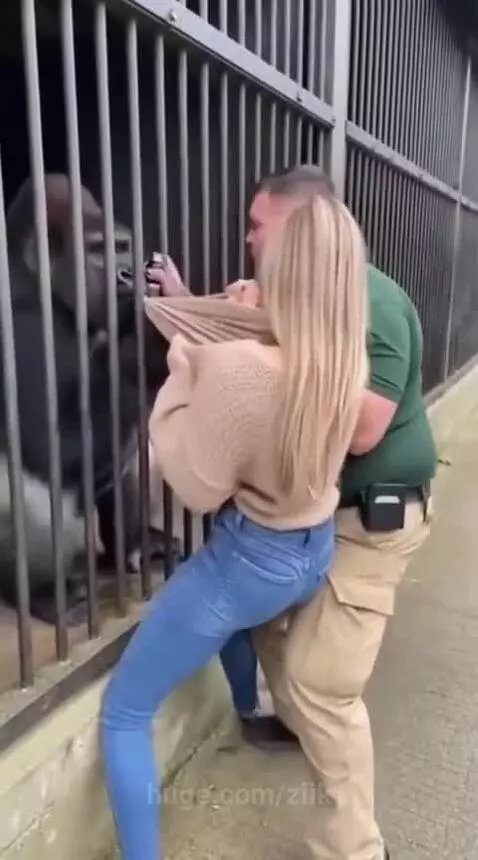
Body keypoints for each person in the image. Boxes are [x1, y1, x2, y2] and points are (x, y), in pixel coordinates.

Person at [149, 165, 437, 860]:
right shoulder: (298, 298)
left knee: (322, 686)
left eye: (258, 225)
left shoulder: (372, 304)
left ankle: (356, 850)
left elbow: (360, 430)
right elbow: (257, 355)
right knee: (276, 638)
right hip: (317, 519)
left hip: (372, 521)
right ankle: (292, 723)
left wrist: (251, 368)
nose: (248, 239)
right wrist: (194, 308)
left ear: (305, 226)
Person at [100, 189, 369, 860]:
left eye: (262, 238)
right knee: (232, 616)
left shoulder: (243, 370)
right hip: (313, 549)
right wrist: (222, 317)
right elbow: (274, 366)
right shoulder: (344, 356)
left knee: (124, 714)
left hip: (251, 559)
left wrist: (190, 365)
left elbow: (192, 484)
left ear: (284, 267)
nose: (252, 245)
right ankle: (249, 711)